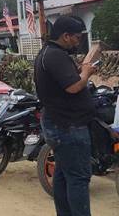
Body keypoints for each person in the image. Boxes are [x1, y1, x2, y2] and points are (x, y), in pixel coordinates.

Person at [35, 15, 97, 216]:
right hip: (68, 126)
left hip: (59, 123)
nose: (78, 41)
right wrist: (86, 73)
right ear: (66, 36)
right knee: (78, 178)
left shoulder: (49, 53)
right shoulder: (55, 56)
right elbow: (72, 87)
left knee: (63, 174)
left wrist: (80, 70)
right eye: (77, 37)